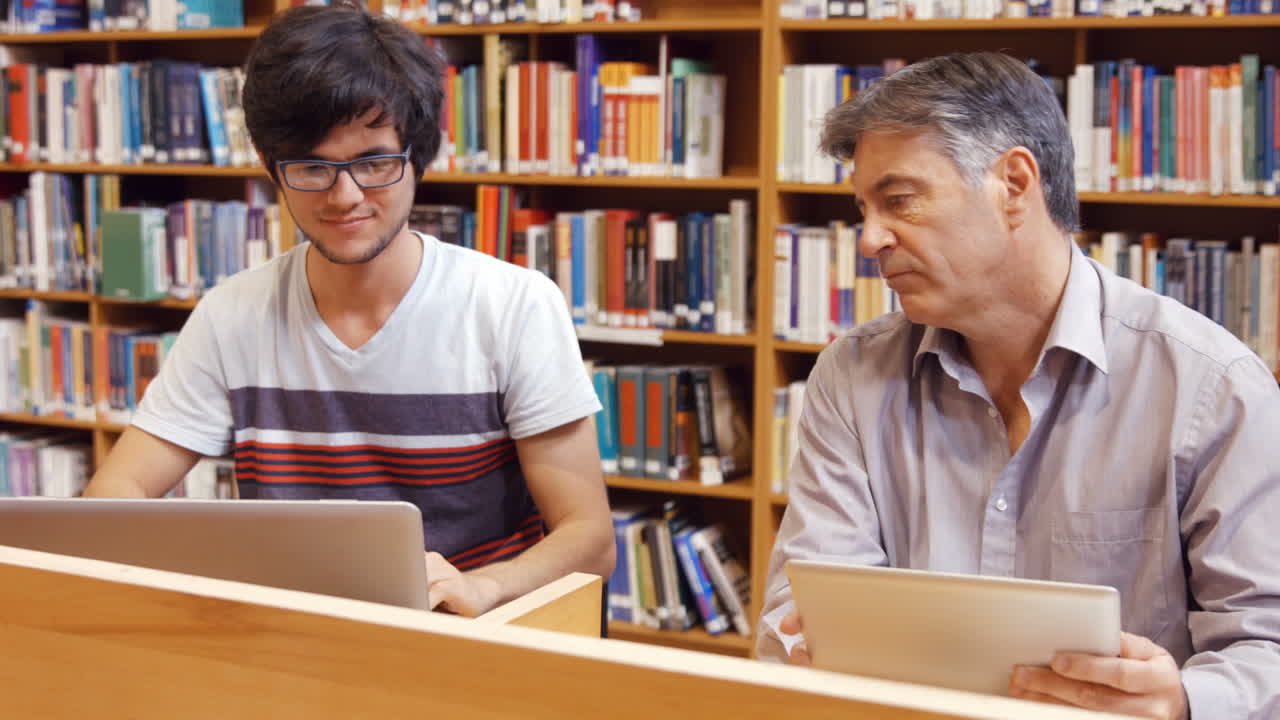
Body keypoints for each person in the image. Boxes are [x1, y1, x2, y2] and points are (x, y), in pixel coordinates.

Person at [756, 51, 1279, 719]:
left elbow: (1266, 647)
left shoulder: (1214, 391)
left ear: (1013, 183)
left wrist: (1183, 700)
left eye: (899, 200)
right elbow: (796, 617)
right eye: (863, 206)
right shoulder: (852, 378)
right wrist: (807, 650)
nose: (870, 238)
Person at [83, 3, 614, 618]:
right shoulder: (232, 314)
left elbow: (590, 539)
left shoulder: (511, 305)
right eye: (312, 166)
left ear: (418, 157)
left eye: (373, 163)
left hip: (470, 642)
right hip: (296, 644)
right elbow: (114, 496)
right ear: (269, 167)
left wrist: (485, 587)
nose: (345, 196)